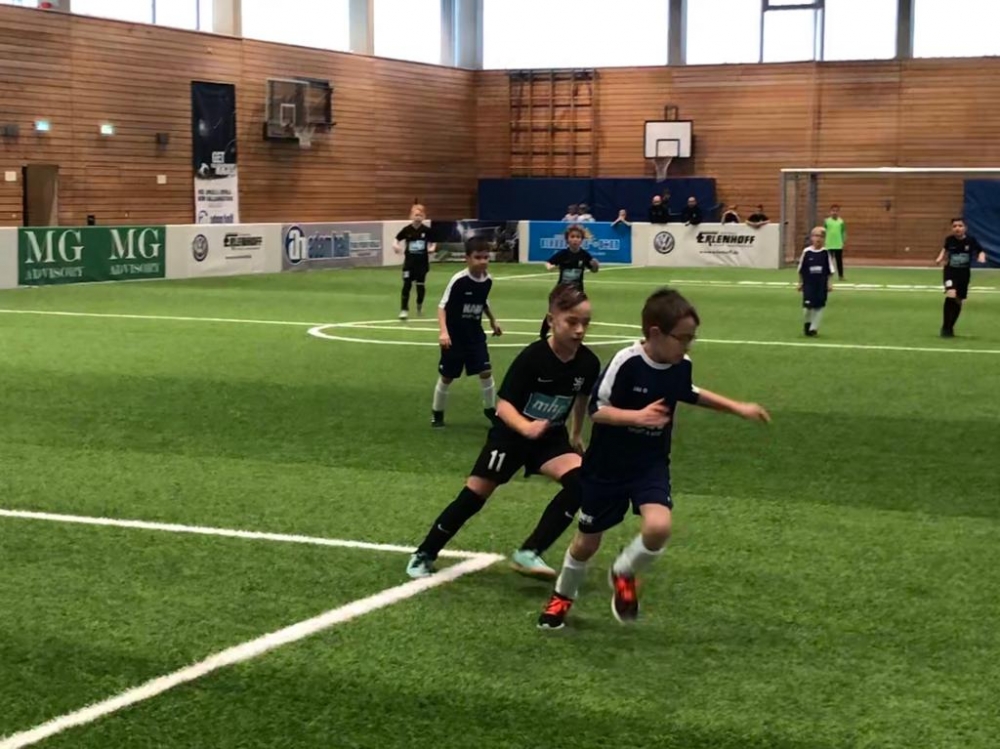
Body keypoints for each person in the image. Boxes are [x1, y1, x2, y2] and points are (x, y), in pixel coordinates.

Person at [537, 288, 770, 630]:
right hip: (607, 467)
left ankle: (624, 571)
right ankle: (562, 597)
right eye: (683, 338)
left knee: (659, 528)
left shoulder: (680, 364)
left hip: (650, 464)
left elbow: (689, 392)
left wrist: (738, 407)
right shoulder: (626, 362)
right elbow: (596, 410)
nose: (688, 346)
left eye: (692, 338)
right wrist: (637, 417)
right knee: (586, 543)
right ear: (656, 333)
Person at [408, 285, 602, 580]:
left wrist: (575, 434)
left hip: (549, 439)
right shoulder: (533, 357)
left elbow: (582, 398)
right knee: (475, 495)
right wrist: (526, 427)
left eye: (585, 323)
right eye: (572, 322)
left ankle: (530, 552)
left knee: (582, 483)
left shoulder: (588, 362)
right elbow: (503, 406)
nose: (579, 330)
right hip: (511, 436)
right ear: (552, 320)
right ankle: (425, 552)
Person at [432, 237, 503, 428]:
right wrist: (443, 332)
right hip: (454, 337)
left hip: (475, 335)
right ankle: (437, 412)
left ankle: (490, 409)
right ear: (467, 258)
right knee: (447, 376)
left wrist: (493, 320)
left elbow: (483, 301)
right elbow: (442, 307)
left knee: (485, 371)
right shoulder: (459, 280)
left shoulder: (488, 280)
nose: (483, 261)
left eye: (486, 257)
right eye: (478, 257)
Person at [539, 225, 599, 340]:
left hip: (577, 291)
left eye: (578, 237)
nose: (575, 239)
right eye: (572, 236)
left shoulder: (584, 255)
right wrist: (550, 266)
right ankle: (542, 335)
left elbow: (594, 269)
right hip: (562, 290)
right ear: (567, 239)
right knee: (554, 311)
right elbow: (548, 262)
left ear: (582, 240)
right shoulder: (563, 254)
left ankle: (575, 334)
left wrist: (595, 265)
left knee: (578, 314)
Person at [936, 218, 987, 338]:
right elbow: (945, 249)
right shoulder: (949, 239)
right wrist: (940, 257)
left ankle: (950, 327)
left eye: (960, 226)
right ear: (952, 228)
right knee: (951, 294)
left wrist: (981, 257)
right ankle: (945, 327)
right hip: (950, 272)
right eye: (954, 226)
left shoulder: (971, 240)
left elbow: (980, 251)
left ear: (965, 228)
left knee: (958, 300)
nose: (957, 228)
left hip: (963, 274)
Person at [394, 204, 436, 320]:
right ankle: (404, 310)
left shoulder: (426, 230)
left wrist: (432, 248)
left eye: (420, 215)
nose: (418, 217)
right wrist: (395, 246)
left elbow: (433, 242)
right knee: (406, 285)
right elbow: (396, 239)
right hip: (409, 263)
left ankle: (419, 305)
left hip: (422, 263)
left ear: (424, 217)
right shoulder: (407, 230)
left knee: (420, 285)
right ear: (411, 216)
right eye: (416, 215)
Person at [797, 226, 836, 337]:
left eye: (821, 236)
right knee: (807, 307)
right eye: (816, 236)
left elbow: (830, 270)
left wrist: (829, 283)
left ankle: (813, 328)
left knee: (819, 306)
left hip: (821, 284)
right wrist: (800, 282)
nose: (818, 239)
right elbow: (801, 269)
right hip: (809, 283)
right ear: (811, 237)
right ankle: (807, 324)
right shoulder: (807, 252)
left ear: (824, 239)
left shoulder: (825, 253)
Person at [824, 205, 846, 280]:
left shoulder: (841, 222)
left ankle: (841, 276)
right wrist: (824, 241)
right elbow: (824, 231)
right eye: (833, 211)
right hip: (829, 244)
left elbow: (843, 232)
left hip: (838, 244)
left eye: (836, 211)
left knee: (839, 261)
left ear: (838, 212)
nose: (834, 212)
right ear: (830, 212)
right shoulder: (827, 221)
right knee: (828, 261)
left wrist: (843, 241)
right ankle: (827, 275)